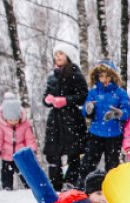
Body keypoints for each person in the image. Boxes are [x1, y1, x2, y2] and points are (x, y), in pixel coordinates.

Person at [43, 45, 89, 190]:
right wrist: (47, 100)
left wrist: (66, 100)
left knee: (74, 152)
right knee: (53, 152)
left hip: (71, 118)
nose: (58, 56)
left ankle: (71, 180)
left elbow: (83, 96)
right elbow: (45, 96)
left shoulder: (75, 74)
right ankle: (55, 182)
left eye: (61, 53)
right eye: (56, 54)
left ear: (67, 56)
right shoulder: (52, 77)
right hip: (55, 120)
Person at [81, 60, 130, 177]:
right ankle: (83, 188)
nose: (105, 79)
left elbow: (127, 111)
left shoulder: (120, 93)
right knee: (88, 164)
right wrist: (89, 109)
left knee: (112, 167)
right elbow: (85, 111)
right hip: (95, 134)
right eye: (102, 76)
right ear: (97, 77)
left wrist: (118, 114)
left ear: (113, 76)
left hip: (114, 135)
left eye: (108, 75)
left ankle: (112, 191)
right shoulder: (93, 92)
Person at [0, 92, 36, 190]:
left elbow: (29, 139)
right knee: (6, 173)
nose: (14, 122)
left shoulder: (25, 124)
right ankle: (7, 188)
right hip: (7, 155)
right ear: (5, 118)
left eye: (16, 120)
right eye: (11, 120)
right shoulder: (0, 126)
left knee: (25, 173)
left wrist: (32, 151)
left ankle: (30, 188)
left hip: (21, 154)